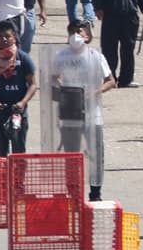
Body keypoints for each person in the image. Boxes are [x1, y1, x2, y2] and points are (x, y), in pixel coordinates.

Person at [48, 20, 115, 200]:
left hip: (93, 113)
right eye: (73, 31)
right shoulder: (61, 56)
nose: (77, 35)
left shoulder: (95, 56)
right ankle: (73, 190)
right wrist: (62, 89)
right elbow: (53, 79)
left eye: (81, 31)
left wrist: (94, 92)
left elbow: (111, 81)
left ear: (88, 35)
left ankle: (95, 191)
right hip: (70, 112)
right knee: (72, 153)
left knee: (95, 152)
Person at [0, 20, 37, 157]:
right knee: (0, 154)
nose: (4, 39)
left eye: (7, 36)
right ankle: (3, 179)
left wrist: (22, 103)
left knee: (19, 154)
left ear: (14, 37)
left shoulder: (23, 59)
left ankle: (18, 179)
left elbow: (33, 84)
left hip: (18, 114)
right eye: (0, 36)